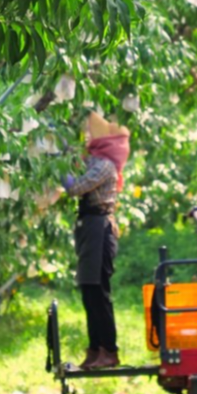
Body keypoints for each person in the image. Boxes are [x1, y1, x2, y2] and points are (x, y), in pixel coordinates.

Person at [62, 111, 131, 370]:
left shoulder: (104, 165)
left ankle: (109, 350)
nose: (89, 137)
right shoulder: (94, 161)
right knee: (89, 291)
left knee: (98, 291)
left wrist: (58, 169)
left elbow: (75, 187)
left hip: (99, 228)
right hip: (89, 227)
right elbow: (76, 165)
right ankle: (95, 348)